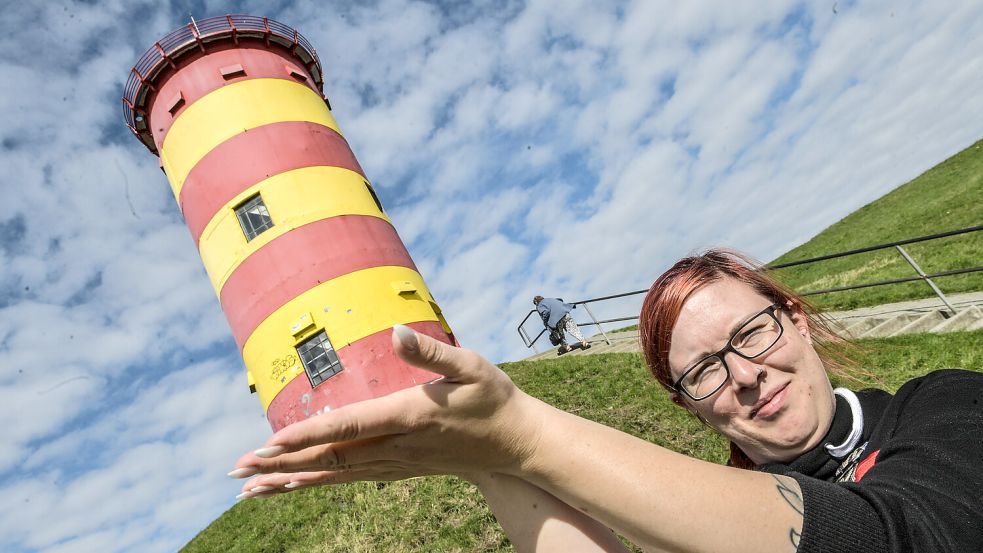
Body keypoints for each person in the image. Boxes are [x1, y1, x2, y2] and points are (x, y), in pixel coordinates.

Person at [230, 249, 983, 552]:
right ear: (689, 406)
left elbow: (898, 536)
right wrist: (482, 460)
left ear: (793, 316)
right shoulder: (710, 514)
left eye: (751, 332)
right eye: (706, 371)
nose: (746, 374)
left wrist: (521, 431)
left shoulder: (945, 406)